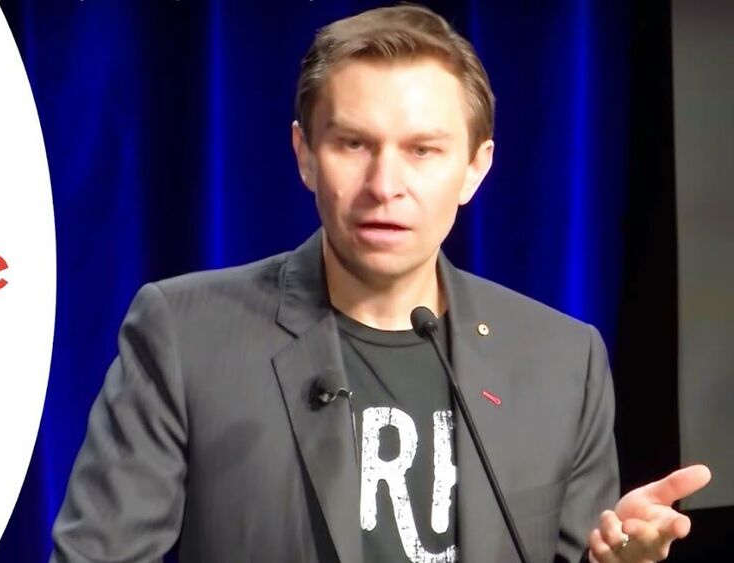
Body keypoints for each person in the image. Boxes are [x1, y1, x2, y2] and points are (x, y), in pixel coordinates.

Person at [50, 4, 711, 562]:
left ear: (475, 168)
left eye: (423, 150)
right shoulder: (186, 333)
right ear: (305, 155)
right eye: (353, 144)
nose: (384, 185)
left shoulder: (562, 359)